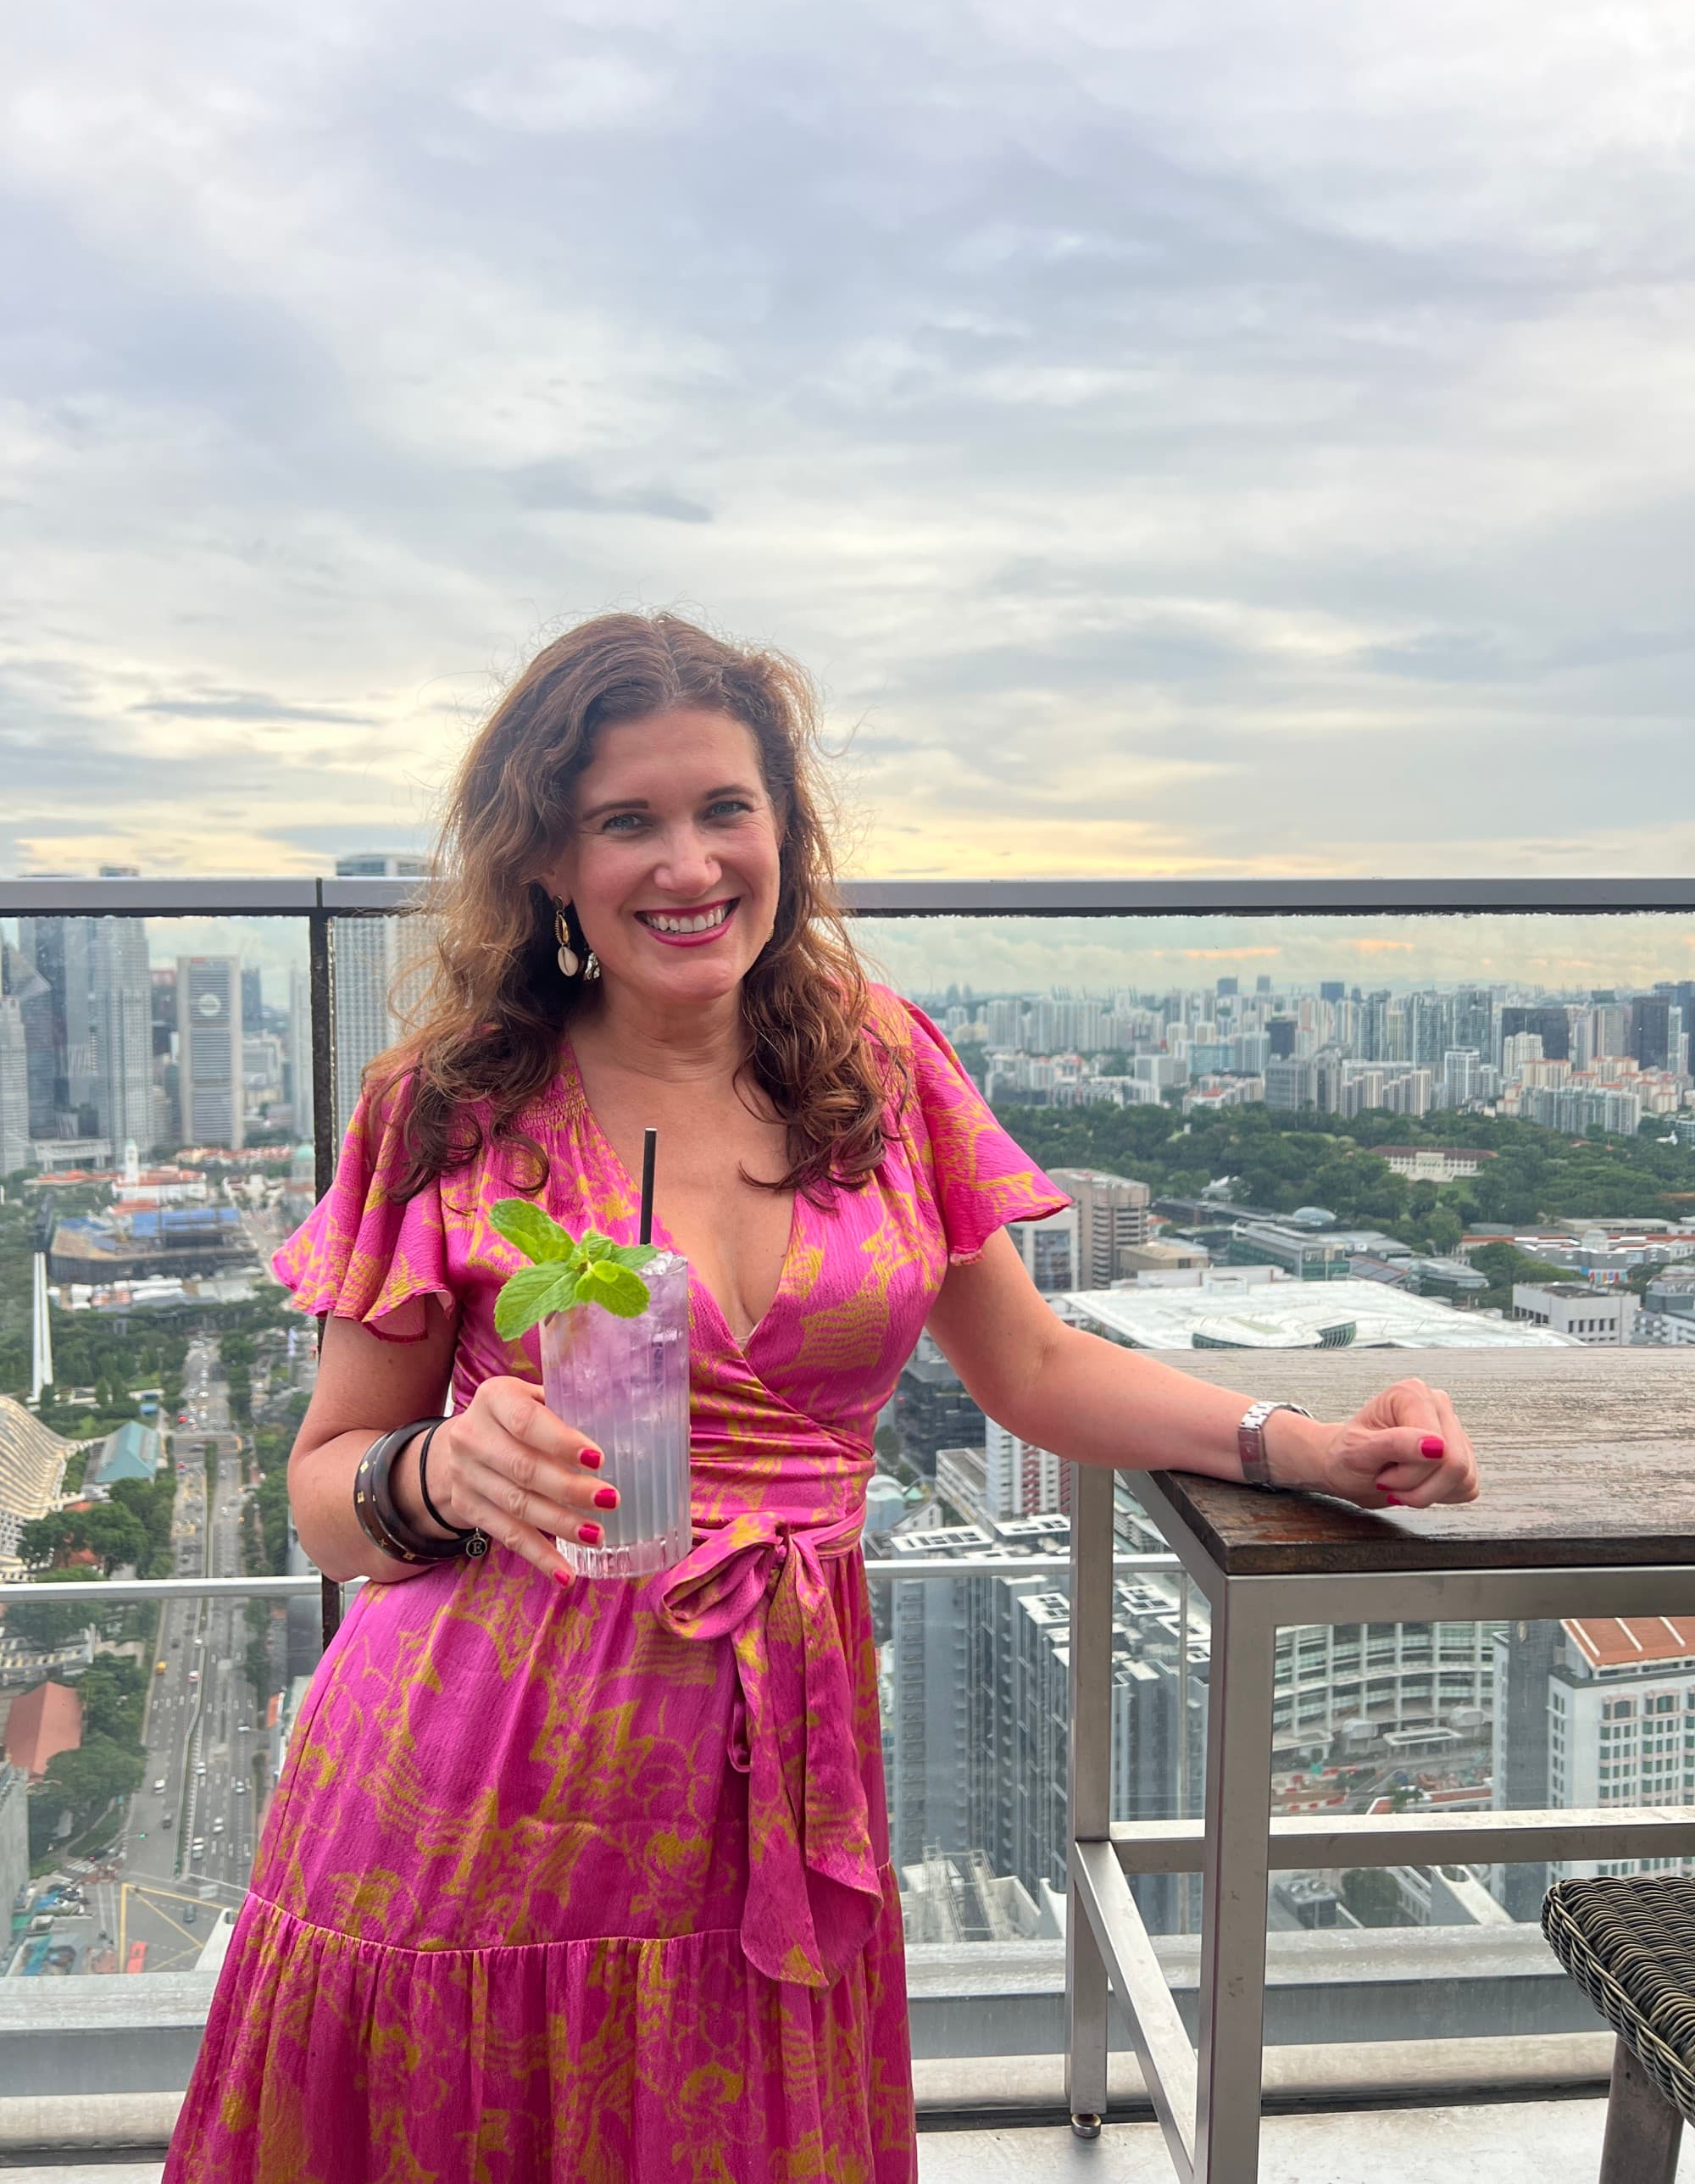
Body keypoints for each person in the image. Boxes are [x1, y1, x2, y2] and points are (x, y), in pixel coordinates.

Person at [164, 613, 1479, 2182]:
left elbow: (1033, 1368)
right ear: (549, 862)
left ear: (784, 828)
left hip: (769, 1780)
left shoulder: (879, 1070)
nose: (687, 864)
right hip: (475, 1779)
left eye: (725, 808)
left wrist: (1298, 1444)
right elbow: (326, 1498)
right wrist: (438, 1472)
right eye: (627, 821)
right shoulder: (448, 1110)